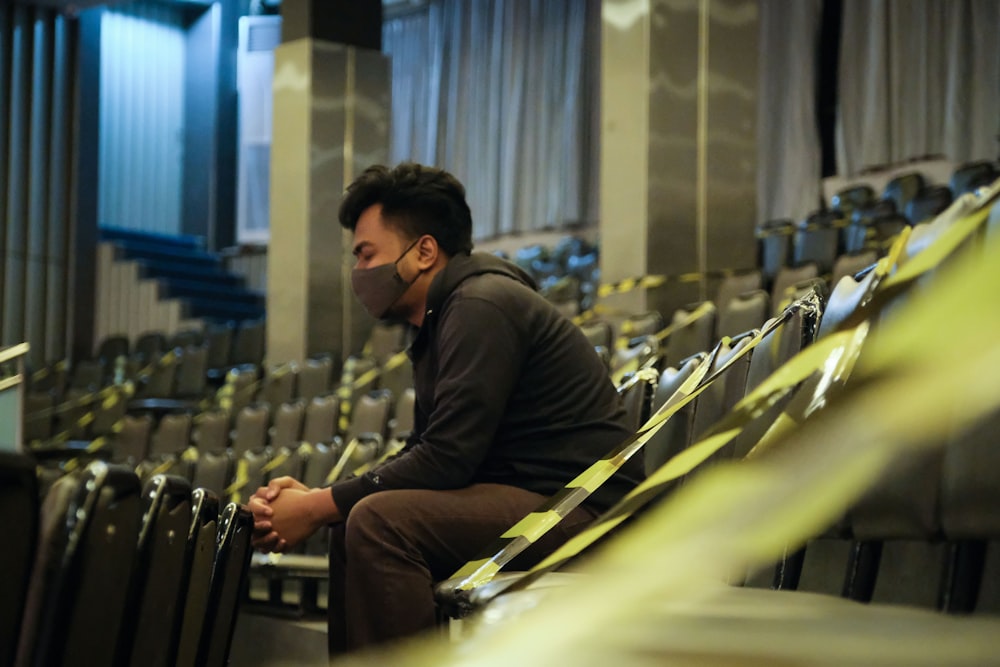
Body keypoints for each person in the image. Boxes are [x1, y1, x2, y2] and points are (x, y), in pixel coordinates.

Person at [248, 162, 642, 653]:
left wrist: (315, 506)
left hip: (579, 509)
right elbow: (426, 448)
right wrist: (324, 501)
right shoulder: (446, 316)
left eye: (366, 254)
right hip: (532, 498)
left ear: (425, 251)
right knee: (354, 519)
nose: (359, 273)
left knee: (379, 523)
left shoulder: (481, 305)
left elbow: (447, 459)